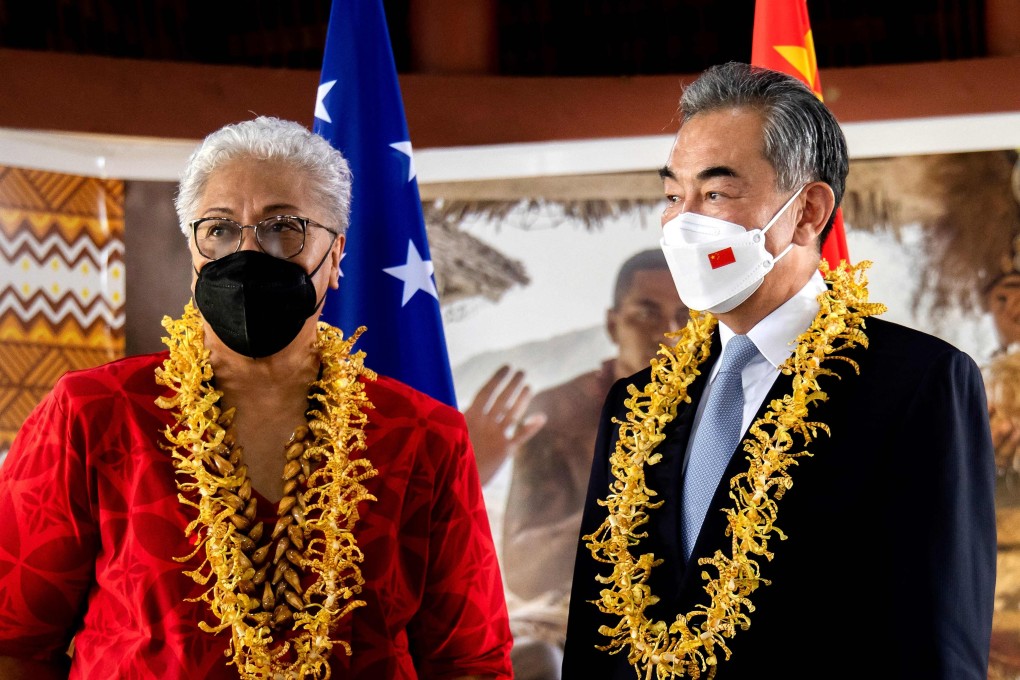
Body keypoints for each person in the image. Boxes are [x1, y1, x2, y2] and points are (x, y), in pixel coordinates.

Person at [0, 116, 512, 679]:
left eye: (281, 228)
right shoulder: (96, 411)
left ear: (336, 255)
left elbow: (470, 662)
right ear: (192, 249)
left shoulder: (420, 435)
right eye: (218, 229)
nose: (247, 251)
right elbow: (14, 641)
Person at [562, 62, 997, 679]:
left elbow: (937, 645)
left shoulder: (915, 384)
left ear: (808, 211)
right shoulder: (636, 403)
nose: (684, 222)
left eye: (715, 193)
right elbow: (593, 633)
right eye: (672, 195)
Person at [483, 249, 689, 680]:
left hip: (698, 620)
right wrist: (623, 506)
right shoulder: (557, 412)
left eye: (686, 316)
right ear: (613, 324)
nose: (669, 332)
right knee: (535, 662)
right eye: (646, 313)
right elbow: (523, 574)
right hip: (574, 619)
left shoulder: (729, 410)